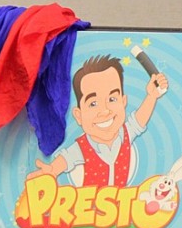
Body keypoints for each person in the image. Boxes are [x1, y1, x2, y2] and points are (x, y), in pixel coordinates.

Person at [28, 54, 168, 187]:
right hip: (90, 208)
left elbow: (139, 120)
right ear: (79, 115)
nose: (105, 111)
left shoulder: (125, 134)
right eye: (93, 103)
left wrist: (152, 96)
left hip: (123, 206)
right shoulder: (83, 147)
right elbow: (66, 158)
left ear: (123, 102)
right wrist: (52, 170)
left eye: (112, 99)